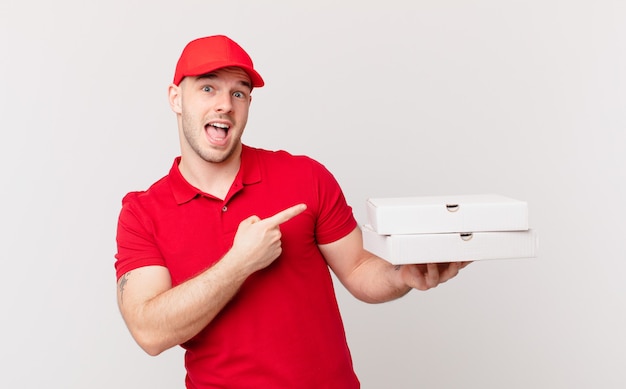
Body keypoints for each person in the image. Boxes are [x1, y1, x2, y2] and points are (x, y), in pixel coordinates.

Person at [114, 35, 470, 388]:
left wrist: (402, 276)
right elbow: (149, 331)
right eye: (208, 88)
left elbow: (359, 267)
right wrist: (239, 263)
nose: (225, 104)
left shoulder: (304, 176)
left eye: (238, 92)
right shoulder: (142, 213)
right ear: (176, 98)